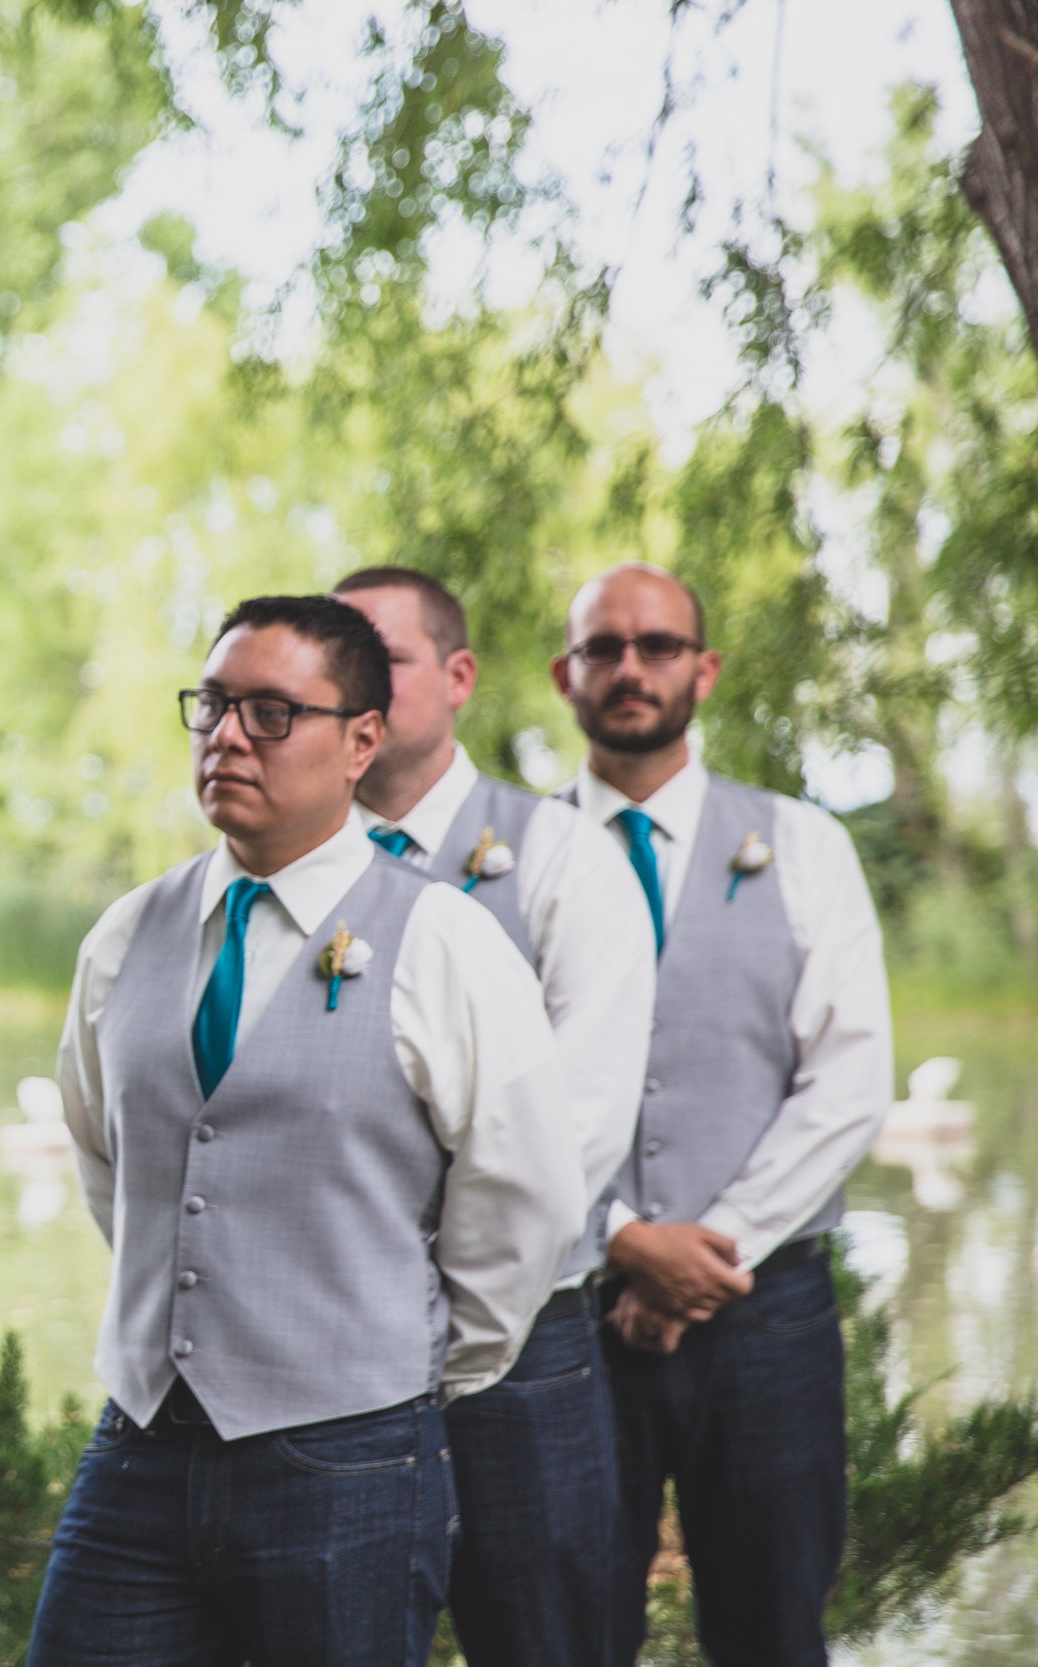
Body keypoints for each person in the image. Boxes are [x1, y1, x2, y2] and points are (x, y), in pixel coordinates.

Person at [28, 595, 581, 1667]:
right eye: (213, 706)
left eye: (272, 712)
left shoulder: (443, 939)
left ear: (360, 738)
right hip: (140, 1439)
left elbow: (527, 1203)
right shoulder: (125, 933)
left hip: (353, 1460)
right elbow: (111, 1161)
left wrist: (399, 1363)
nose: (228, 735)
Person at [553, 562, 892, 1667]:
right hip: (561, 1305)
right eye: (604, 647)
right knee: (561, 1628)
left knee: (771, 1629)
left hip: (767, 1311)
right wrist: (620, 1237)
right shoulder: (500, 862)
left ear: (703, 668)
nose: (630, 667)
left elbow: (847, 1080)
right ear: (566, 673)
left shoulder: (804, 843)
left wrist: (710, 1248)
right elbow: (484, 1098)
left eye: (656, 644)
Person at [335, 567, 657, 1667]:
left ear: (459, 675)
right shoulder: (289, 867)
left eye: (384, 657)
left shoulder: (564, 855)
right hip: (336, 1348)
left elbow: (582, 1113)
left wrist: (446, 1271)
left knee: (546, 1638)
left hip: (522, 1340)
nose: (355, 685)